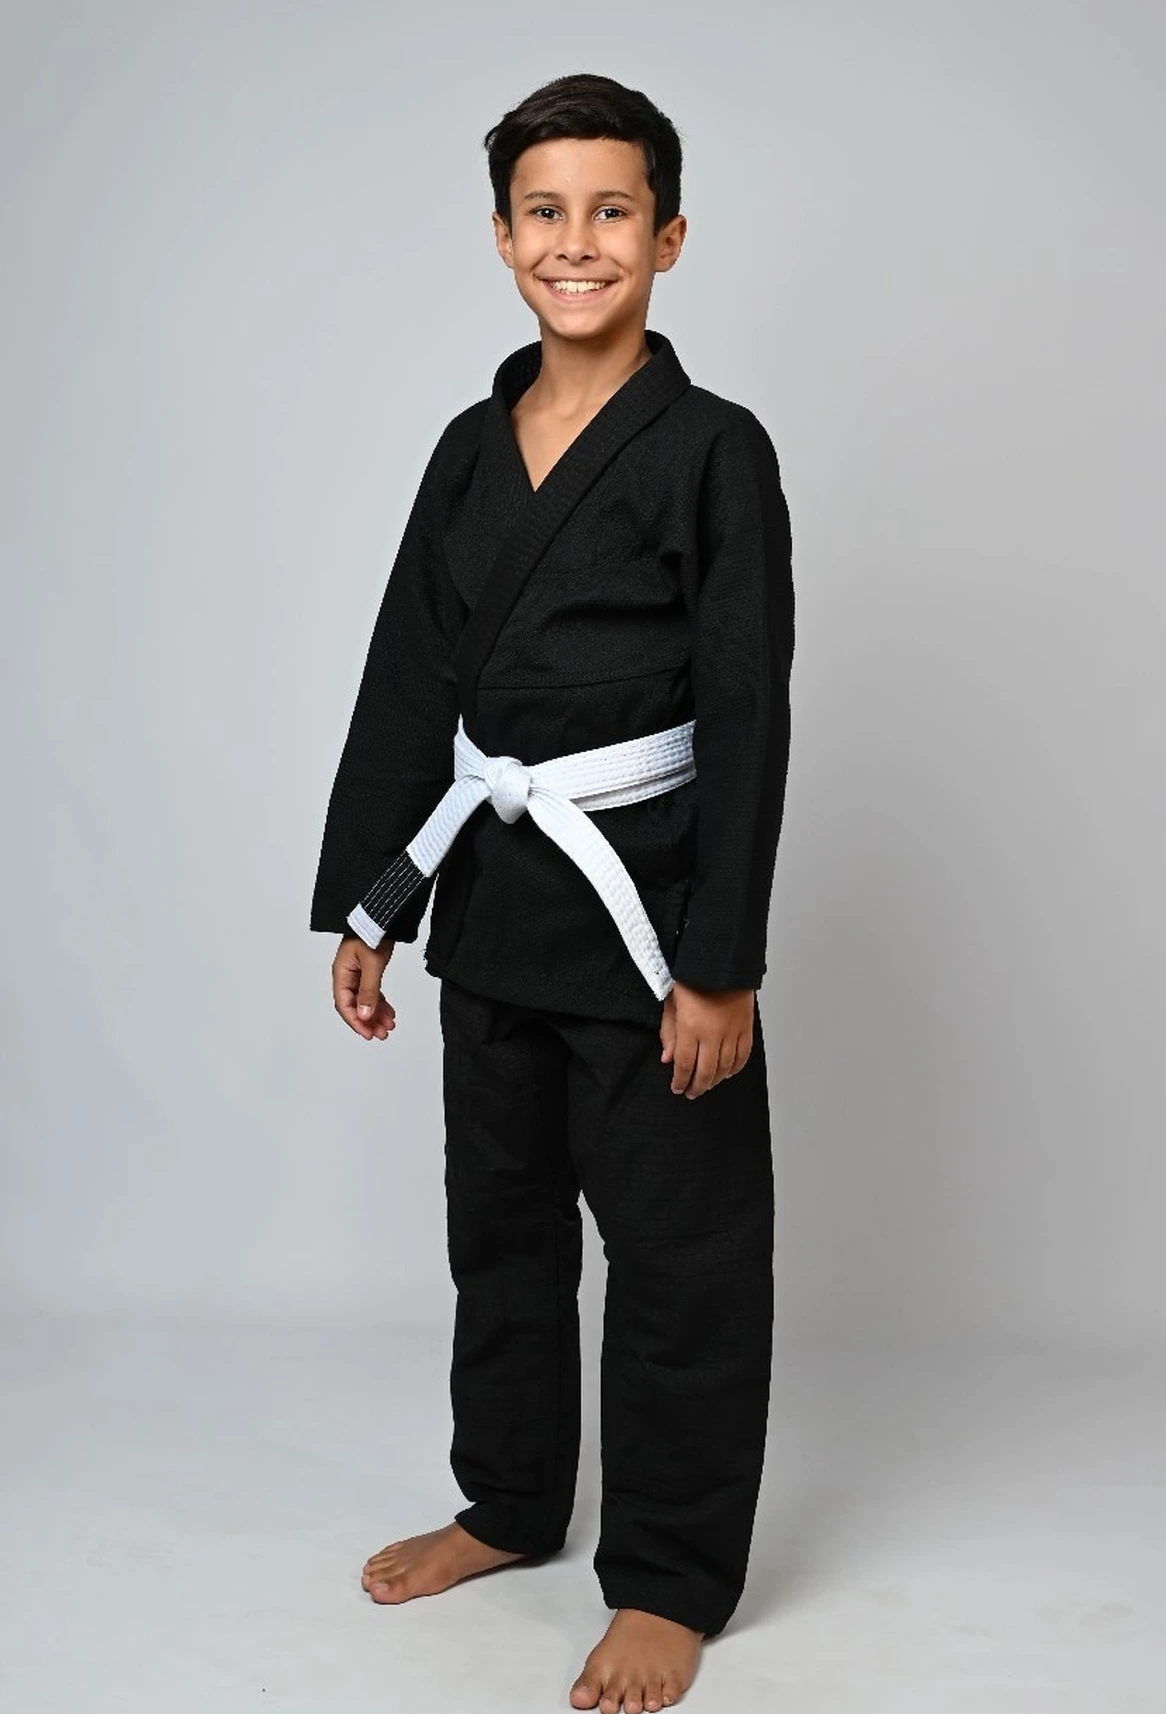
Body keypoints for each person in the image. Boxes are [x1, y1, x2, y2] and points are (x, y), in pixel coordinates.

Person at [310, 71, 794, 1714]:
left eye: (610, 211)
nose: (575, 242)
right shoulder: (468, 450)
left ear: (669, 235)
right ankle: (510, 1500)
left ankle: (667, 1575)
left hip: (650, 924)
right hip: (498, 906)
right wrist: (375, 902)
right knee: (501, 1234)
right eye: (544, 211)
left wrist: (721, 961)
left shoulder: (713, 451)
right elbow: (410, 679)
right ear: (503, 235)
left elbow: (747, 709)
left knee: (681, 1257)